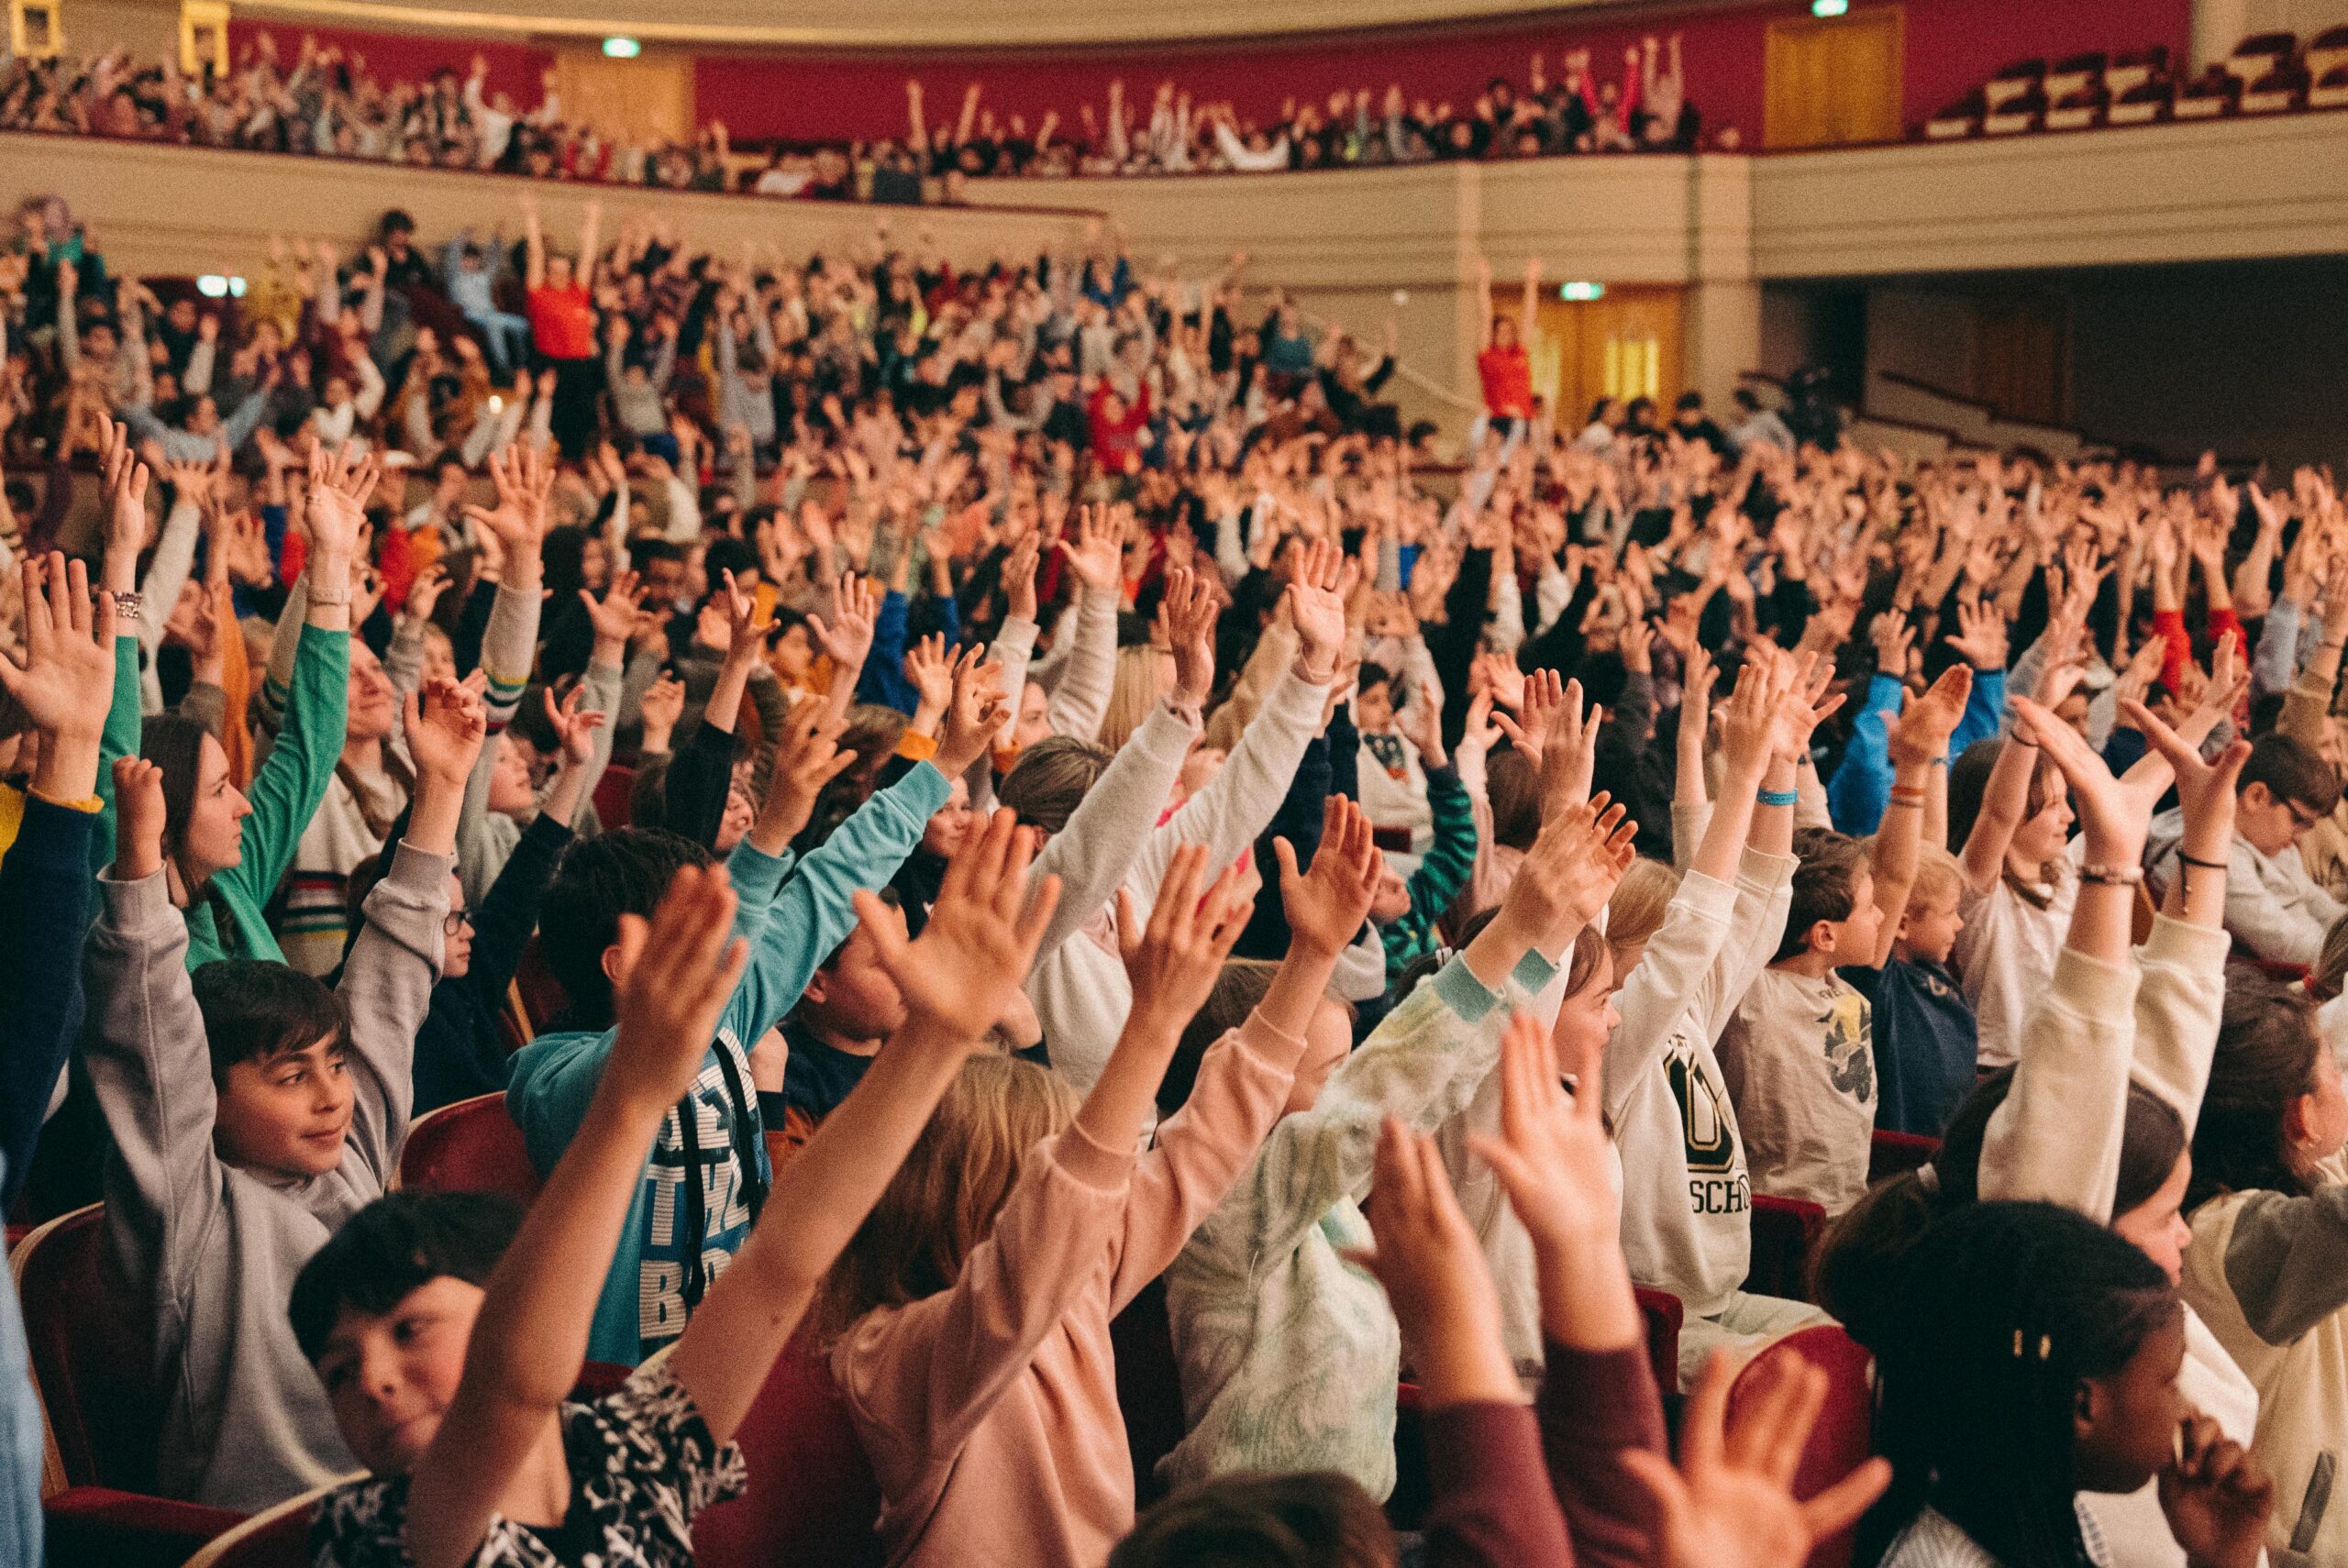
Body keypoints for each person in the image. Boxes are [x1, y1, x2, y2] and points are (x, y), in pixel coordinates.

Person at [298, 809, 1064, 1568]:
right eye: (336, 1371)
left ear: (503, 1295)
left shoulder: (631, 1454)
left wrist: (937, 1039)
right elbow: (513, 1382)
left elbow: (782, 1260)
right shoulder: (394, 1531)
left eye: (408, 1331)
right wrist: (632, 1093)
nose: (372, 1382)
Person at [817, 833, 1370, 1568]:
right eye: (1052, 1167)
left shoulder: (1074, 1280)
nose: (1088, 1188)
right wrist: (1151, 1026)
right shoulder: (888, 1356)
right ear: (982, 1194)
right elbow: (1047, 1237)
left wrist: (1310, 959)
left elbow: (1202, 1149)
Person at [83, 676, 480, 1510]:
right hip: (272, 1536)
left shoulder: (353, 1154)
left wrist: (440, 789)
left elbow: (386, 984)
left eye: (332, 1067)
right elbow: (147, 1036)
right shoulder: (189, 1211)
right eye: (291, 1078)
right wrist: (138, 867)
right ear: (209, 1100)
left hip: (417, 1509)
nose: (333, 1097)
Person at [1720, 662, 1964, 1216]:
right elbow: (1767, 875)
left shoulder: (1848, 988)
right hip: (1778, 1222)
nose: (1885, 915)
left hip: (1847, 1208)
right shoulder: (1750, 993)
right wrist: (1766, 765)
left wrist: (1913, 766)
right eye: (1869, 908)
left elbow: (1880, 868)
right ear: (1825, 933)